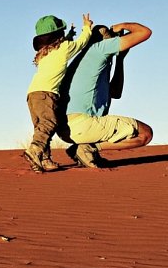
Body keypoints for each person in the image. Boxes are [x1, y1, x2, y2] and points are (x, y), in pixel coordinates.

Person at [60, 21, 153, 168]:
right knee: (145, 133)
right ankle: (88, 148)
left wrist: (120, 59)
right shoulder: (98, 49)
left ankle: (86, 147)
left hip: (70, 127)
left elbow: (115, 93)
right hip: (81, 124)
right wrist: (123, 25)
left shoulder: (92, 61)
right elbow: (144, 32)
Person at [24, 13, 93, 172]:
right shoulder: (64, 48)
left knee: (41, 128)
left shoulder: (44, 52)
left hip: (32, 94)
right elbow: (82, 43)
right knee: (50, 123)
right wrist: (87, 27)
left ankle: (44, 159)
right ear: (59, 35)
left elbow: (60, 44)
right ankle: (35, 150)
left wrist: (69, 35)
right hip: (47, 93)